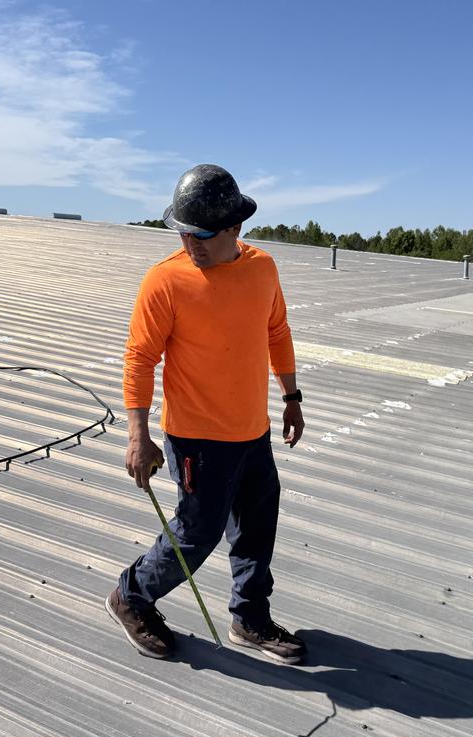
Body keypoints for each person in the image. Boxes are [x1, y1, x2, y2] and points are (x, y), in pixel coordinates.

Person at [106, 164, 306, 664]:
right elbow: (139, 358)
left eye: (201, 233)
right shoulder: (166, 281)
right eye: (182, 231)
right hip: (196, 438)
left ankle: (250, 618)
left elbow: (276, 333)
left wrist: (291, 397)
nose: (190, 243)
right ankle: (130, 596)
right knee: (197, 535)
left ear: (235, 228)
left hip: (252, 432)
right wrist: (138, 435)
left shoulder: (262, 268)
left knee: (258, 527)